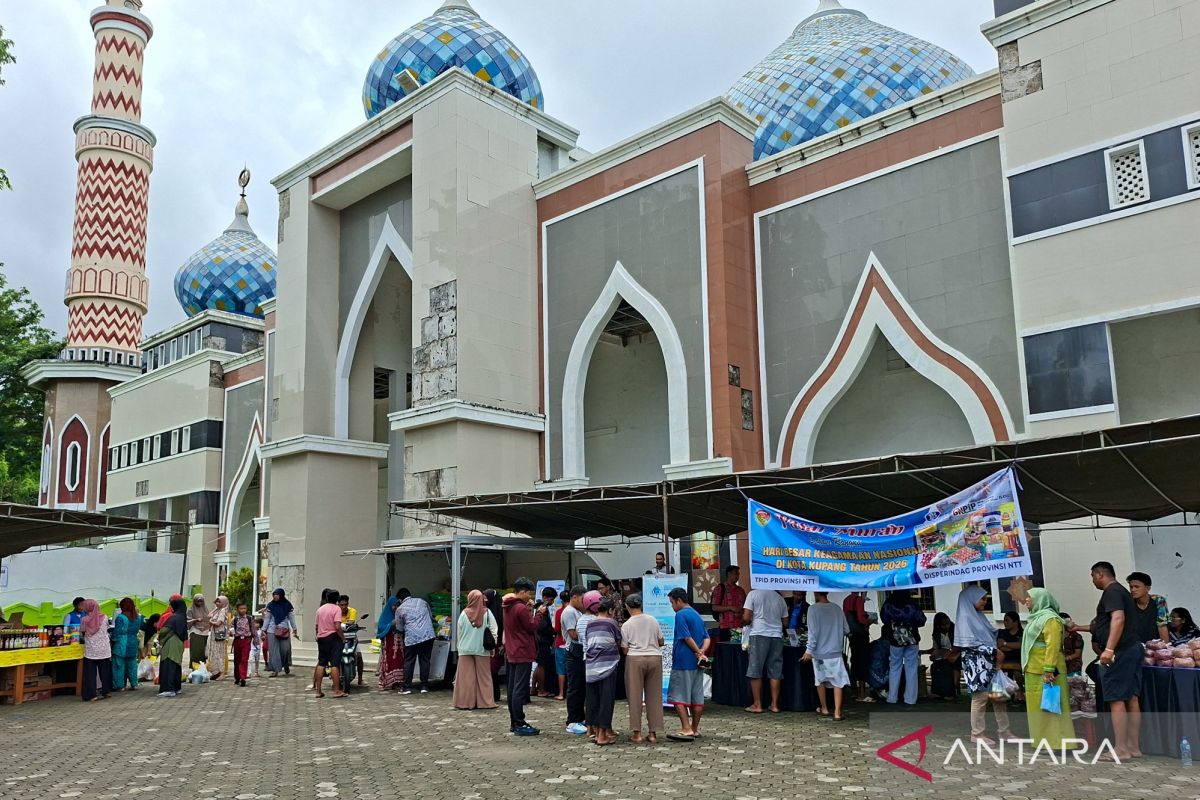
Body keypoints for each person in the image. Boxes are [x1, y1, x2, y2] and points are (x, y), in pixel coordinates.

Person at [1070, 561, 1144, 761]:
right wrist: (1078, 627)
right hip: (1133, 649)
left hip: (1120, 651)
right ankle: (1133, 746)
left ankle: (1121, 749)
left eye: (1093, 576)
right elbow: (1101, 625)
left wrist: (1109, 649)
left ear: (1100, 574)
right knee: (1131, 698)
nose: (1093, 581)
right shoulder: (1122, 593)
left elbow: (1117, 619)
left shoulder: (1111, 592)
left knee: (1116, 698)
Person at [953, 586, 1013, 745]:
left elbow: (990, 633)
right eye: (983, 599)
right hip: (977, 665)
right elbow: (969, 643)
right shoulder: (965, 618)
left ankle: (1004, 731)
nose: (985, 602)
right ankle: (977, 734)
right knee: (980, 698)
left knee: (999, 697)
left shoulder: (978, 616)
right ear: (972, 598)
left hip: (990, 662)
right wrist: (994, 650)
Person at [1021, 588, 1077, 749]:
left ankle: (1058, 743)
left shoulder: (1050, 619)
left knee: (1052, 707)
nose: (1026, 601)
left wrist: (1048, 669)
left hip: (1047, 671)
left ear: (1040, 599)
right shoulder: (1035, 618)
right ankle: (1042, 742)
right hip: (1033, 669)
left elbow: (1052, 645)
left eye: (1029, 598)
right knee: (1038, 708)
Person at [666, 587, 710, 741]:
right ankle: (694, 728)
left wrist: (697, 651)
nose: (672, 606)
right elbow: (707, 637)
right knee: (697, 696)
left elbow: (686, 637)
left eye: (672, 603)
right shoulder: (697, 615)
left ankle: (686, 728)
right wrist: (702, 652)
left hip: (683, 660)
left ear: (679, 601)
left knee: (678, 695)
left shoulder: (681, 615)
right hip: (697, 663)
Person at [621, 592, 664, 744]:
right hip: (654, 658)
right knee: (654, 696)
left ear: (627, 606)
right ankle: (653, 733)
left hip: (635, 658)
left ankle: (637, 733)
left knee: (635, 696)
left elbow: (624, 648)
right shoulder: (653, 620)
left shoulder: (627, 625)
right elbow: (661, 641)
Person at [803, 591, 850, 721]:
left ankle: (824, 708)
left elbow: (812, 633)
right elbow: (847, 630)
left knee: (820, 681)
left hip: (819, 653)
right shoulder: (837, 608)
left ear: (816, 593)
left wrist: (808, 651)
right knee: (838, 682)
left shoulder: (812, 609)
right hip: (835, 652)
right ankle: (837, 712)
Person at [503, 577, 540, 736]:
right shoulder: (520, 608)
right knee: (519, 689)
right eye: (529, 593)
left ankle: (514, 722)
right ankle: (519, 722)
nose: (530, 597)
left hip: (511, 651)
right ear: (522, 591)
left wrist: (529, 609)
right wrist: (539, 614)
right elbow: (531, 626)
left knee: (512, 689)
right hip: (523, 651)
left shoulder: (508, 606)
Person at [584, 596, 623, 746]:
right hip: (608, 666)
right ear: (610, 610)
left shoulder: (590, 623)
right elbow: (618, 641)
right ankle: (602, 736)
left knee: (594, 700)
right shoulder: (611, 623)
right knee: (606, 701)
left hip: (591, 667)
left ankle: (593, 731)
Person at [742, 587, 788, 713]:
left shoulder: (753, 594)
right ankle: (774, 705)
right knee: (775, 671)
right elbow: (785, 622)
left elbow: (746, 617)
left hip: (758, 633)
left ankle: (757, 704)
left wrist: (745, 622)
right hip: (776, 636)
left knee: (755, 670)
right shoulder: (780, 598)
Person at [453, 589, 499, 710]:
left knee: (466, 678)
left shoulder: (463, 614)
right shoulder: (487, 613)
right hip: (482, 649)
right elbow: (494, 630)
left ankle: (465, 703)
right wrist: (493, 646)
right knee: (484, 677)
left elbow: (459, 632)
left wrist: (459, 648)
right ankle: (486, 702)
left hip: (465, 649)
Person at [881, 590, 926, 706]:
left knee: (894, 667)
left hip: (895, 639)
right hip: (912, 639)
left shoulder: (889, 603)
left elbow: (884, 619)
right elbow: (922, 620)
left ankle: (892, 697)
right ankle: (910, 699)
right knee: (911, 668)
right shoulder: (912, 603)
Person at [395, 588, 435, 694]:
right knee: (425, 660)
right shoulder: (422, 601)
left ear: (400, 599)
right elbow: (430, 616)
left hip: (411, 638)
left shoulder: (400, 609)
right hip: (427, 635)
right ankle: (424, 686)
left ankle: (407, 687)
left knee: (409, 661)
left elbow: (399, 627)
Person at [561, 586, 587, 735]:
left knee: (581, 687)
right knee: (575, 687)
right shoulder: (569, 612)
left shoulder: (578, 611)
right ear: (575, 597)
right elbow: (573, 635)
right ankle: (572, 720)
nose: (584, 603)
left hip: (579, 652)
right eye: (582, 599)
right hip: (573, 652)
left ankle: (580, 717)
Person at [312, 588, 346, 699]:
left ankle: (318, 691)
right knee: (335, 664)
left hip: (321, 638)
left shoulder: (320, 609)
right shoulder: (336, 609)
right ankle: (336, 691)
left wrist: (318, 635)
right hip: (333, 638)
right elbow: (337, 626)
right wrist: (342, 638)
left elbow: (316, 626)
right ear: (337, 599)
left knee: (321, 663)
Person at [843, 591, 873, 703]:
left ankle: (854, 690)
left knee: (854, 660)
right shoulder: (859, 600)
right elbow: (861, 618)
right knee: (862, 661)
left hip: (851, 634)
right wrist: (868, 621)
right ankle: (862, 693)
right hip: (860, 635)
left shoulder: (846, 600)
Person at [80, 599, 112, 702]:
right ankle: (106, 691)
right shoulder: (105, 617)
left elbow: (82, 632)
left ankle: (91, 694)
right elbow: (107, 629)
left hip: (91, 650)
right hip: (104, 648)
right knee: (105, 671)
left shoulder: (85, 620)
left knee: (90, 673)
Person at [157, 598, 188, 698]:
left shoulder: (174, 617)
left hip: (171, 643)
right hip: (179, 643)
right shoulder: (183, 617)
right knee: (176, 666)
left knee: (168, 665)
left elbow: (164, 630)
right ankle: (176, 687)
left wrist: (159, 636)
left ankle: (168, 689)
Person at [1126, 572, 1169, 643]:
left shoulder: (1159, 601)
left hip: (1154, 644)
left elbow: (1162, 626)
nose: (1133, 590)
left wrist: (1164, 648)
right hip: (1134, 645)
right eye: (1131, 587)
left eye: (1136, 587)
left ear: (1147, 588)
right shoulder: (1128, 602)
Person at [925, 612, 959, 701]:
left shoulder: (955, 630)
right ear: (938, 626)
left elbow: (959, 646)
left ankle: (949, 692)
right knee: (935, 666)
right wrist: (929, 653)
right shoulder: (936, 634)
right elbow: (935, 648)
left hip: (955, 654)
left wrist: (949, 652)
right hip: (942, 655)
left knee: (946, 667)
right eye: (943, 625)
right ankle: (938, 692)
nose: (946, 626)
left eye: (947, 624)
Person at [376, 592, 406, 691]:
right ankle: (390, 681)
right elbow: (381, 627)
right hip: (389, 643)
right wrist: (390, 624)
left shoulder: (400, 613)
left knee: (399, 660)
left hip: (399, 643)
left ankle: (399, 681)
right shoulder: (385, 615)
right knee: (390, 661)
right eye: (394, 605)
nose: (395, 607)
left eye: (397, 605)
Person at [111, 598, 143, 691]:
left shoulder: (121, 618)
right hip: (133, 642)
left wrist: (113, 639)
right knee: (132, 665)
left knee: (118, 666)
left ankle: (119, 686)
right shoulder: (138, 617)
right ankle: (134, 684)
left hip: (121, 643)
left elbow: (117, 632)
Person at [264, 588, 297, 677]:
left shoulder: (287, 605)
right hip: (272, 630)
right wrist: (264, 629)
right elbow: (267, 618)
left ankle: (285, 664)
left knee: (285, 650)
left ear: (281, 595)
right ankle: (275, 669)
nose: (275, 596)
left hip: (284, 629)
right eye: (274, 594)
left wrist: (294, 628)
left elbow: (291, 618)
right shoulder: (270, 605)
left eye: (277, 594)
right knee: (273, 651)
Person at [533, 586, 559, 698]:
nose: (552, 602)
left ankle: (533, 688)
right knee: (542, 665)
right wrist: (552, 631)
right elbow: (542, 626)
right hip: (542, 641)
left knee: (539, 665)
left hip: (539, 640)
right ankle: (541, 689)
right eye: (551, 599)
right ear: (546, 597)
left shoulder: (538, 607)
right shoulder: (542, 609)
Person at [710, 566, 746, 642]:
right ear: (729, 574)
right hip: (725, 627)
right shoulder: (720, 588)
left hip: (739, 626)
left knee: (738, 649)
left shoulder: (741, 591)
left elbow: (746, 608)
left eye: (738, 574)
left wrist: (741, 613)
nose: (737, 576)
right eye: (736, 574)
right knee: (726, 650)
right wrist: (730, 608)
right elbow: (714, 607)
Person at [997, 611, 1025, 700]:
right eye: (1004, 620)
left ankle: (1021, 691)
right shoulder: (1001, 632)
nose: (1005, 623)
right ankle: (1008, 695)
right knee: (1005, 674)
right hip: (1004, 660)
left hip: (1018, 660)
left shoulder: (1022, 633)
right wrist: (1013, 646)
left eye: (1007, 621)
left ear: (1015, 622)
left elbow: (1021, 645)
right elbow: (999, 646)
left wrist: (1005, 643)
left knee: (1017, 674)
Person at [338, 594, 364, 687]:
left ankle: (360, 679)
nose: (344, 607)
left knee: (359, 656)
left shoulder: (352, 611)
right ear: (338, 604)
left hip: (351, 637)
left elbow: (351, 622)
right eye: (341, 605)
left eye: (345, 604)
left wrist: (341, 624)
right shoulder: (336, 612)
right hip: (338, 638)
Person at [485, 589, 505, 704]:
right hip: (490, 644)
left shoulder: (499, 612)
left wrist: (502, 644)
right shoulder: (487, 611)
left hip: (497, 645)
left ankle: (494, 694)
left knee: (493, 670)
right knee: (490, 670)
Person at [206, 595, 231, 680]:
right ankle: (215, 672)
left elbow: (218, 623)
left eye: (219, 601)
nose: (217, 603)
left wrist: (211, 621)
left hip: (219, 635)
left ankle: (222, 673)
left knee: (219, 654)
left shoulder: (223, 611)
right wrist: (215, 609)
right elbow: (209, 615)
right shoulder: (218, 610)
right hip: (214, 634)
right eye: (216, 601)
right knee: (214, 653)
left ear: (223, 603)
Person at [230, 602, 254, 686]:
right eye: (241, 608)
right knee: (237, 660)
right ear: (237, 610)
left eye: (244, 608)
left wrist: (256, 641)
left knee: (244, 659)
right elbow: (231, 628)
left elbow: (253, 630)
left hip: (247, 640)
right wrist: (231, 632)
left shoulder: (249, 618)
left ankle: (243, 677)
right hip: (237, 640)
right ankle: (237, 677)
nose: (243, 610)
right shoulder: (235, 619)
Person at [552, 589, 570, 701]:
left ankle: (561, 693)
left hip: (560, 643)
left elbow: (557, 629)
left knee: (561, 670)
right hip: (571, 644)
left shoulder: (559, 612)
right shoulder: (576, 611)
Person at [186, 594, 211, 667]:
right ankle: (194, 667)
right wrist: (195, 620)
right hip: (195, 632)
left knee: (202, 652)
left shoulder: (205, 609)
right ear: (194, 601)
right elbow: (187, 620)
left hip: (205, 633)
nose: (200, 603)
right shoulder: (190, 610)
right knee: (195, 652)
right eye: (198, 601)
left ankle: (202, 667)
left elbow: (208, 619)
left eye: (201, 601)